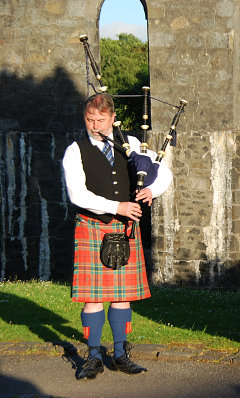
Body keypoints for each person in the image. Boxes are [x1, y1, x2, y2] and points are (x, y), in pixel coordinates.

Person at [62, 93, 173, 380]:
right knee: (93, 297)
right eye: (89, 119)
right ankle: (94, 354)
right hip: (92, 226)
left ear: (113, 118)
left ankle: (121, 353)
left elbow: (163, 173)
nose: (94, 125)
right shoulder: (75, 150)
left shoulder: (132, 144)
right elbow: (77, 194)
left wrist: (152, 190)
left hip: (124, 229)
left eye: (100, 120)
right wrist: (117, 206)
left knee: (122, 296)